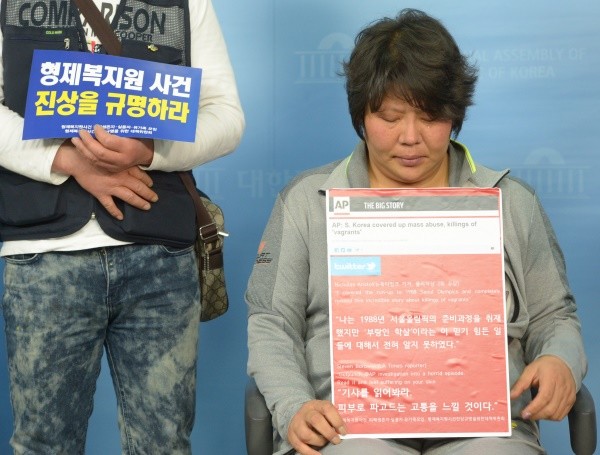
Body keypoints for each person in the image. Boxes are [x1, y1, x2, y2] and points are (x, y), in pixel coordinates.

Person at [246, 8, 586, 455]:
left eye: (429, 117)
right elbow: (272, 322)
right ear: (361, 115)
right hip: (348, 427)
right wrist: (294, 405)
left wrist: (560, 359)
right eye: (390, 118)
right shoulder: (307, 201)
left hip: (486, 427)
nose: (410, 137)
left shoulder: (510, 201)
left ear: (454, 115)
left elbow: (553, 315)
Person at [0, 0, 244, 453]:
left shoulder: (187, 4)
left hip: (160, 253)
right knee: (42, 444)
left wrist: (150, 152)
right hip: (43, 255)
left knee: (165, 445)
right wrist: (67, 161)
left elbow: (226, 116)